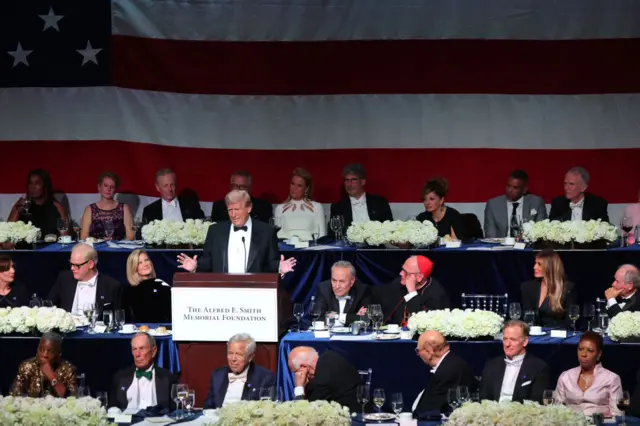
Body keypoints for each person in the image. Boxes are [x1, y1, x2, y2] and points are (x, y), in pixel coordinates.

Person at [177, 190, 296, 274]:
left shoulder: (266, 232)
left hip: (255, 294)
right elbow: (209, 262)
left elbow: (270, 263)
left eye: (237, 209)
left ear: (249, 208)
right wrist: (196, 266)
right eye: (230, 210)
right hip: (223, 292)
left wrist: (280, 267)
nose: (233, 215)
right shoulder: (215, 231)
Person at [554, 332, 622, 417]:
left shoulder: (612, 379)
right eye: (580, 349)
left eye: (590, 350)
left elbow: (617, 414)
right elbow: (556, 410)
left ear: (599, 354)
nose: (583, 354)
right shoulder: (565, 376)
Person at [479, 320, 549, 403]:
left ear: (525, 342)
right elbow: (483, 400)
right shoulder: (491, 365)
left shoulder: (539, 367)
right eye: (505, 339)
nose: (507, 344)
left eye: (513, 339)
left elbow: (535, 404)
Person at [203, 333, 276, 408]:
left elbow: (266, 411)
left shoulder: (265, 378)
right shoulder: (218, 375)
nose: (233, 359)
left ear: (250, 357)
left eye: (239, 354)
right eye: (230, 353)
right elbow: (208, 408)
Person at [373, 255, 450, 326]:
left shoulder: (436, 294)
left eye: (405, 272)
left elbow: (423, 321)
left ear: (419, 277)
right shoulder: (398, 283)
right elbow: (376, 295)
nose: (400, 273)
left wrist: (412, 292)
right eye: (402, 269)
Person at [109, 333, 178, 411]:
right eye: (134, 349)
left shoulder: (168, 378)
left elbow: (174, 411)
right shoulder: (120, 377)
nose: (137, 354)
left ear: (153, 351)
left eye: (142, 348)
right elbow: (112, 409)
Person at [47, 243, 122, 314]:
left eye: (77, 265)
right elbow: (48, 306)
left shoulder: (111, 286)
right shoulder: (64, 278)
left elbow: (118, 317)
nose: (72, 268)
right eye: (71, 264)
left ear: (90, 264)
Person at [413, 331, 475, 414]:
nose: (418, 354)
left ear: (428, 352)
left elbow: (427, 411)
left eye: (418, 350)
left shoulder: (447, 372)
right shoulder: (451, 361)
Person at [288, 346, 360, 412]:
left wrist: (299, 388)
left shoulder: (321, 381)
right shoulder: (329, 356)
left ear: (304, 367)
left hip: (353, 418)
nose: (296, 376)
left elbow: (304, 414)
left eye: (295, 372)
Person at [328, 164, 393, 237]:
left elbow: (390, 229)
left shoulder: (379, 202)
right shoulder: (337, 207)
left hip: (376, 247)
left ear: (363, 182)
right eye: (347, 180)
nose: (349, 184)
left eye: (353, 180)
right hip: (348, 247)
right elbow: (333, 233)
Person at [483, 170, 547, 238]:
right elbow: (491, 235)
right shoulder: (493, 204)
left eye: (515, 188)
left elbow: (540, 232)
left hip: (527, 245)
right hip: (500, 246)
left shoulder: (536, 203)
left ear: (524, 190)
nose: (510, 190)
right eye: (508, 186)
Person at [520, 250, 576, 327]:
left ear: (550, 267)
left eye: (539, 264)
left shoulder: (567, 288)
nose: (534, 267)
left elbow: (571, 321)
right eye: (535, 263)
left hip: (557, 335)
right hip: (533, 334)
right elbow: (524, 317)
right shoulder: (527, 287)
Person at [11, 332, 77, 397]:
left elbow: (72, 398)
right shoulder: (27, 366)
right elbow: (15, 394)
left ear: (58, 354)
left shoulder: (68, 369)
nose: (44, 355)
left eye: (50, 351)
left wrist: (51, 375)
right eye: (41, 350)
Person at [7, 169, 69, 237]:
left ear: (45, 185)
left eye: (37, 183)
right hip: (26, 247)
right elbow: (7, 231)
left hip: (51, 246)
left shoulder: (56, 207)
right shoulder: (21, 206)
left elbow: (65, 234)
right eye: (30, 183)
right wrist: (17, 211)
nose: (32, 187)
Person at [274, 167, 326, 241]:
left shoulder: (317, 207)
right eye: (292, 184)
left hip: (310, 249)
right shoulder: (280, 208)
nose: (294, 188)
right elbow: (277, 236)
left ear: (306, 189)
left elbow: (322, 236)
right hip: (287, 249)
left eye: (299, 185)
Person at [314, 261, 371, 326]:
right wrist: (353, 317)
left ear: (352, 281)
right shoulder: (323, 288)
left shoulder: (362, 290)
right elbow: (318, 319)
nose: (337, 286)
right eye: (334, 280)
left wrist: (338, 316)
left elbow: (367, 320)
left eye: (342, 281)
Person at [81, 171, 134, 240]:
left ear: (115, 189)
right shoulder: (90, 209)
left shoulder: (124, 208)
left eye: (112, 187)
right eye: (105, 185)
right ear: (99, 187)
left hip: (118, 249)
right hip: (95, 249)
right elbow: (83, 237)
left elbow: (130, 237)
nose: (108, 189)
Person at [124, 250, 171, 323]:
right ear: (133, 267)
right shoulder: (129, 291)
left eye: (146, 260)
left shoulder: (161, 284)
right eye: (140, 263)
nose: (145, 264)